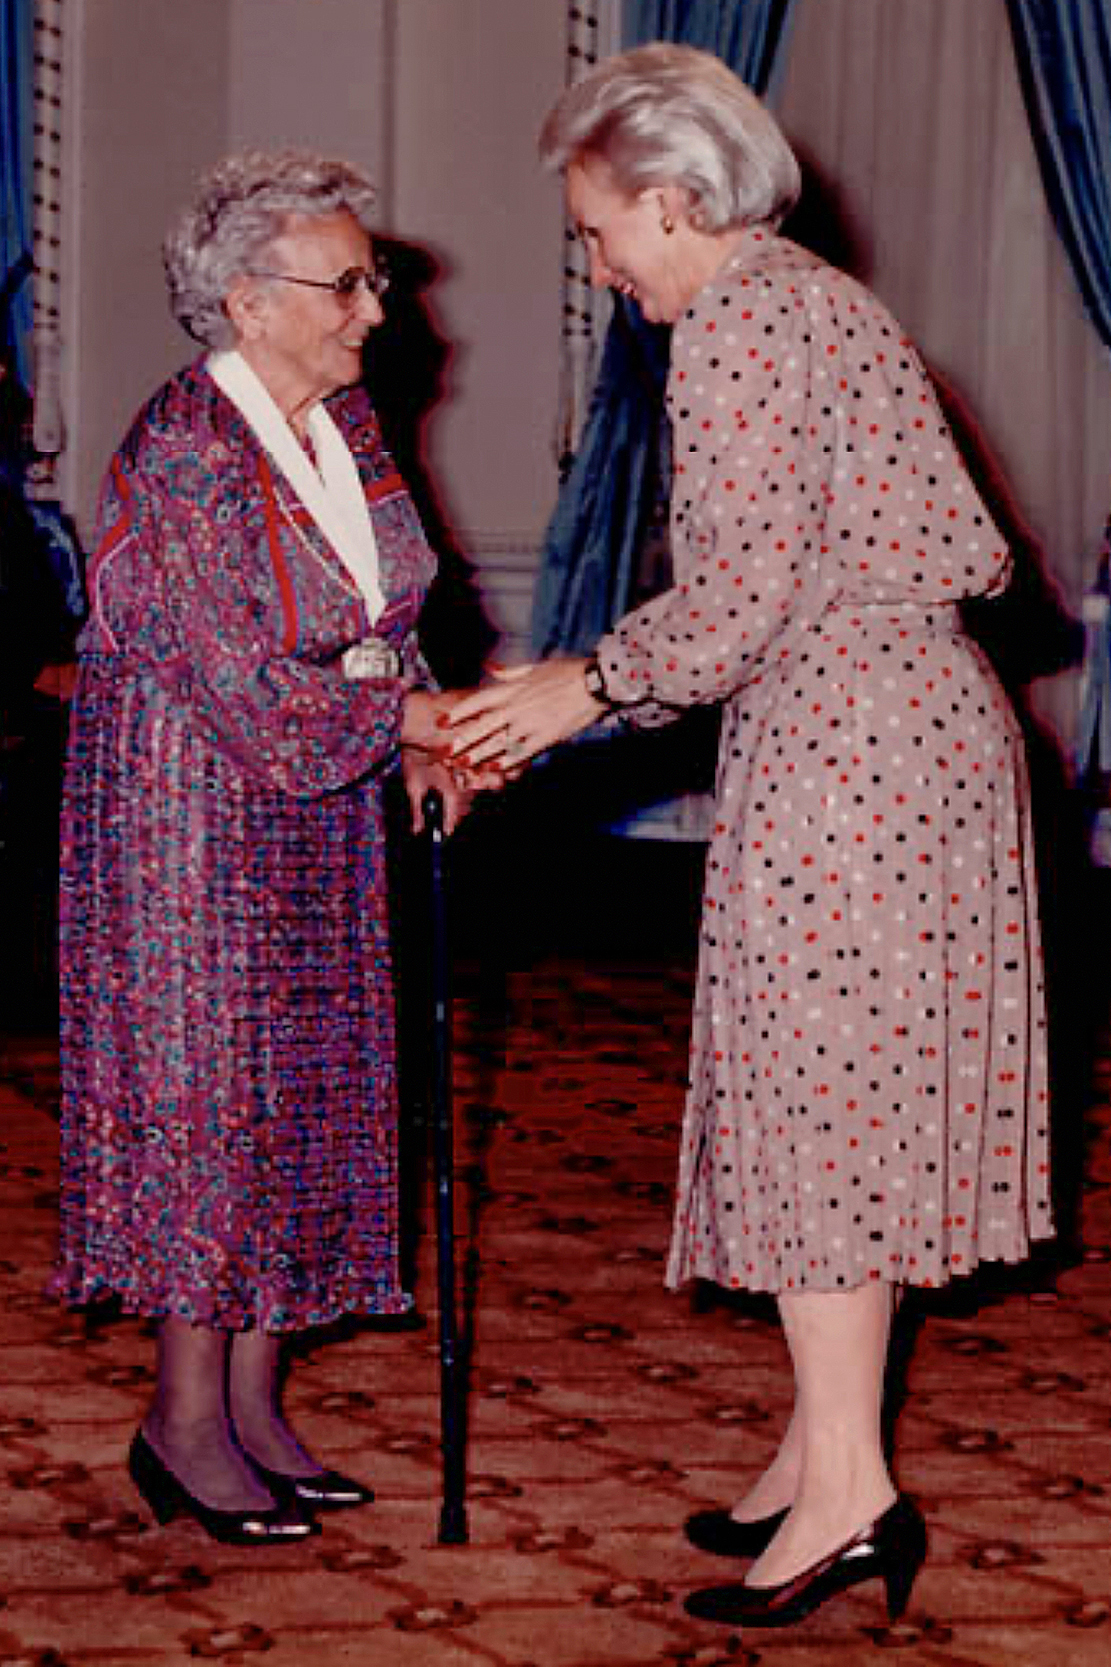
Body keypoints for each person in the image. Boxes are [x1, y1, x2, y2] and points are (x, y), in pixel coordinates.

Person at [441, 44, 1053, 1627]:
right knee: (860, 1096)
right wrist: (592, 673)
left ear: (667, 202)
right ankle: (817, 1445)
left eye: (596, 232)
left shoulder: (733, 325)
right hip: (912, 732)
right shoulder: (817, 301)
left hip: (850, 754)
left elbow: (731, 609)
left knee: (821, 1110)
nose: (600, 263)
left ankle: (853, 1501)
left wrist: (580, 687)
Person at [53, 150, 478, 1546]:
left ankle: (251, 1398)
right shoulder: (182, 446)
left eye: (375, 276)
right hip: (193, 815)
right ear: (247, 303)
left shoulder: (339, 426)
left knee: (302, 1099)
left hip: (315, 797)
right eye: (346, 282)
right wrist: (416, 717)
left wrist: (415, 733)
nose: (376, 307)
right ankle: (180, 1422)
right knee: (210, 1103)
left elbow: (384, 599)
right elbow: (241, 679)